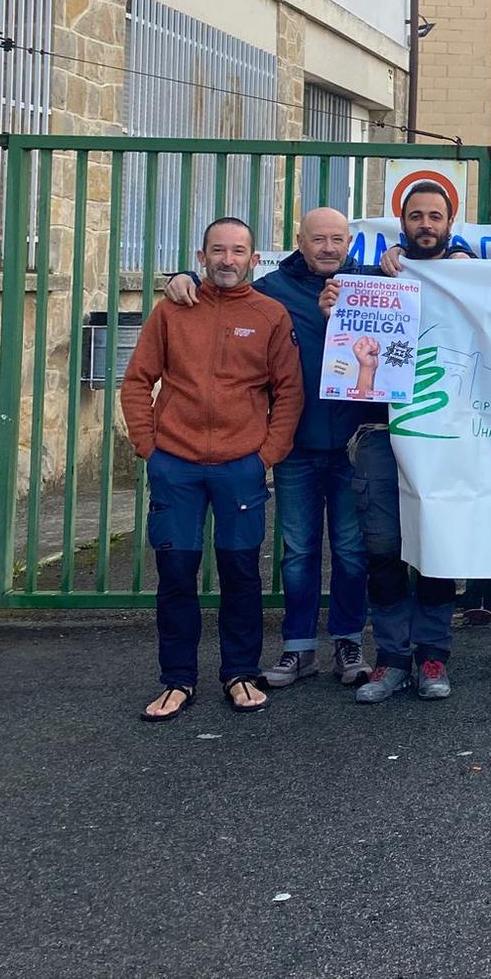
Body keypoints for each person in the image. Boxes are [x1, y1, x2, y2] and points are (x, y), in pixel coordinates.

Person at [168, 209, 371, 690]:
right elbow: (223, 286)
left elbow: (438, 276)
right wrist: (183, 277)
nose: (327, 247)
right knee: (297, 551)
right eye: (317, 239)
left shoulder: (372, 285)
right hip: (295, 444)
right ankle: (298, 647)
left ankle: (348, 641)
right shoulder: (270, 291)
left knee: (350, 550)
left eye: (337, 239)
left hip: (355, 444)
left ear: (350, 243)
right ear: (298, 242)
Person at [120, 218, 302, 720]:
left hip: (240, 465)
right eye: (217, 251)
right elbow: (137, 380)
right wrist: (148, 445)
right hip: (174, 463)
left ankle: (240, 673)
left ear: (254, 258)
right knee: (175, 571)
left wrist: (265, 454)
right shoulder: (171, 310)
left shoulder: (270, 315)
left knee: (241, 571)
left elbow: (289, 391)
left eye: (237, 251)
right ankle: (176, 680)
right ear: (201, 257)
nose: (227, 260)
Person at [341, 180, 474, 702]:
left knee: (437, 548)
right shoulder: (376, 280)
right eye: (416, 216)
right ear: (403, 224)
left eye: (434, 217)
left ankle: (433, 655)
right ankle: (392, 658)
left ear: (449, 224)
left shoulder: (472, 278)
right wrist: (338, 300)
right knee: (384, 550)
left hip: (444, 435)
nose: (425, 225)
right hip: (381, 436)